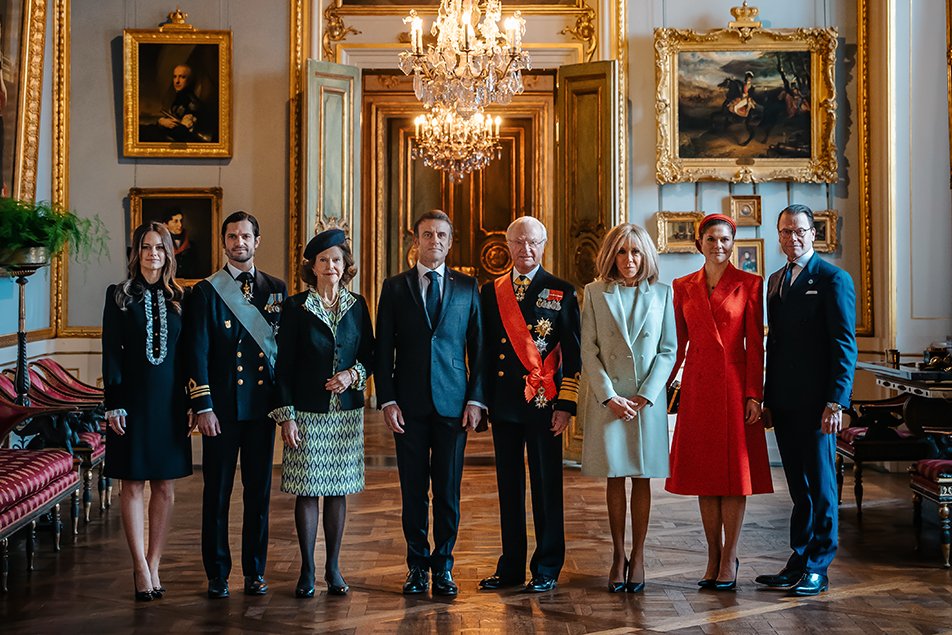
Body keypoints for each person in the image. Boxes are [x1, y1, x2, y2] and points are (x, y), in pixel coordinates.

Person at [374, 210, 485, 597]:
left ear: (450, 242)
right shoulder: (394, 287)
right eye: (426, 234)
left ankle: (444, 567)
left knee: (449, 491)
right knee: (413, 491)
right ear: (415, 241)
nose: (434, 240)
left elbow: (479, 351)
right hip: (407, 406)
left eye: (441, 235)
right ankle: (417, 567)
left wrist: (475, 399)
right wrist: (387, 400)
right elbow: (382, 349)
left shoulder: (469, 287)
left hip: (454, 406)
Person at [665, 213, 772, 591]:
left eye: (726, 239)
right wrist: (658, 389)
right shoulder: (681, 286)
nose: (719, 246)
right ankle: (712, 555)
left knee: (734, 478)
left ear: (733, 242)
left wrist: (755, 394)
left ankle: (730, 557)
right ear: (700, 243)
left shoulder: (750, 284)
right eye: (711, 239)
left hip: (733, 384)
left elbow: (756, 347)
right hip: (696, 385)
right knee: (705, 476)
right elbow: (675, 348)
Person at [184, 210, 287, 599]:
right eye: (232, 237)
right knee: (217, 495)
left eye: (246, 236)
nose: (239, 243)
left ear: (257, 241)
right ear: (224, 241)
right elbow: (198, 352)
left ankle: (255, 572)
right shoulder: (207, 291)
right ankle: (217, 573)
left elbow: (283, 354)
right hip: (222, 412)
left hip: (260, 412)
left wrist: (283, 408)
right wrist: (204, 406)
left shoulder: (276, 289)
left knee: (258, 496)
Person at [756, 204, 857, 597]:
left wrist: (836, 402)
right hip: (783, 401)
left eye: (799, 231)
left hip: (819, 405)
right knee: (798, 488)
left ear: (813, 233)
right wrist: (767, 399)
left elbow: (844, 345)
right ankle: (798, 559)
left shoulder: (833, 278)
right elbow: (774, 347)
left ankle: (819, 564)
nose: (791, 238)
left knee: (822, 486)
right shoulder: (776, 280)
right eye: (784, 232)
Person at [479, 216, 581, 593]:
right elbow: (485, 351)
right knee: (508, 488)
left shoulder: (561, 290)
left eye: (533, 242)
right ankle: (510, 567)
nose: (526, 249)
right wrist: (483, 401)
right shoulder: (491, 292)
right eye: (519, 242)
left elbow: (573, 353)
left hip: (544, 404)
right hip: (505, 403)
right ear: (508, 246)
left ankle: (548, 565)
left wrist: (566, 404)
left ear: (544, 244)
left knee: (546, 485)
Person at [270, 229, 374, 598]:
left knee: (338, 491)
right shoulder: (295, 308)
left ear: (346, 265)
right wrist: (287, 416)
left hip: (345, 415)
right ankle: (307, 569)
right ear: (311, 267)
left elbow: (371, 356)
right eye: (323, 260)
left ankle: (333, 568)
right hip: (307, 413)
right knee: (308, 491)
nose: (331, 266)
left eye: (337, 260)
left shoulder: (359, 305)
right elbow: (281, 367)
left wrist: (352, 374)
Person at [578, 223, 676, 594]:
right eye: (622, 252)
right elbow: (589, 349)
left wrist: (646, 395)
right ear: (610, 255)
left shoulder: (663, 294)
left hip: (644, 402)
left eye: (636, 252)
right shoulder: (594, 293)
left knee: (643, 477)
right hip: (610, 402)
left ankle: (640, 555)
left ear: (646, 255)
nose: (629, 260)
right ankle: (618, 555)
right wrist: (609, 396)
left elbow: (668, 349)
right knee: (615, 476)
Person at [101, 222, 192, 601]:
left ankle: (155, 562)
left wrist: (192, 403)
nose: (153, 253)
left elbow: (188, 355)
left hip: (170, 402)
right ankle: (138, 566)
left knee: (165, 486)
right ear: (136, 252)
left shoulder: (182, 298)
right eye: (146, 247)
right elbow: (111, 352)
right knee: (132, 483)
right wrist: (114, 403)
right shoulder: (119, 295)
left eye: (160, 247)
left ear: (169, 253)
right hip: (132, 402)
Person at [140, 63, 207, 143]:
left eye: (182, 77)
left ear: (190, 80)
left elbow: (184, 134)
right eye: (175, 77)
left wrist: (161, 123)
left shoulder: (193, 104)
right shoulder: (180, 97)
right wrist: (162, 121)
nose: (177, 81)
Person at [163, 211, 194, 278]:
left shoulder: (191, 245)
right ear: (166, 224)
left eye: (181, 221)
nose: (180, 225)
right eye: (175, 221)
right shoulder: (161, 245)